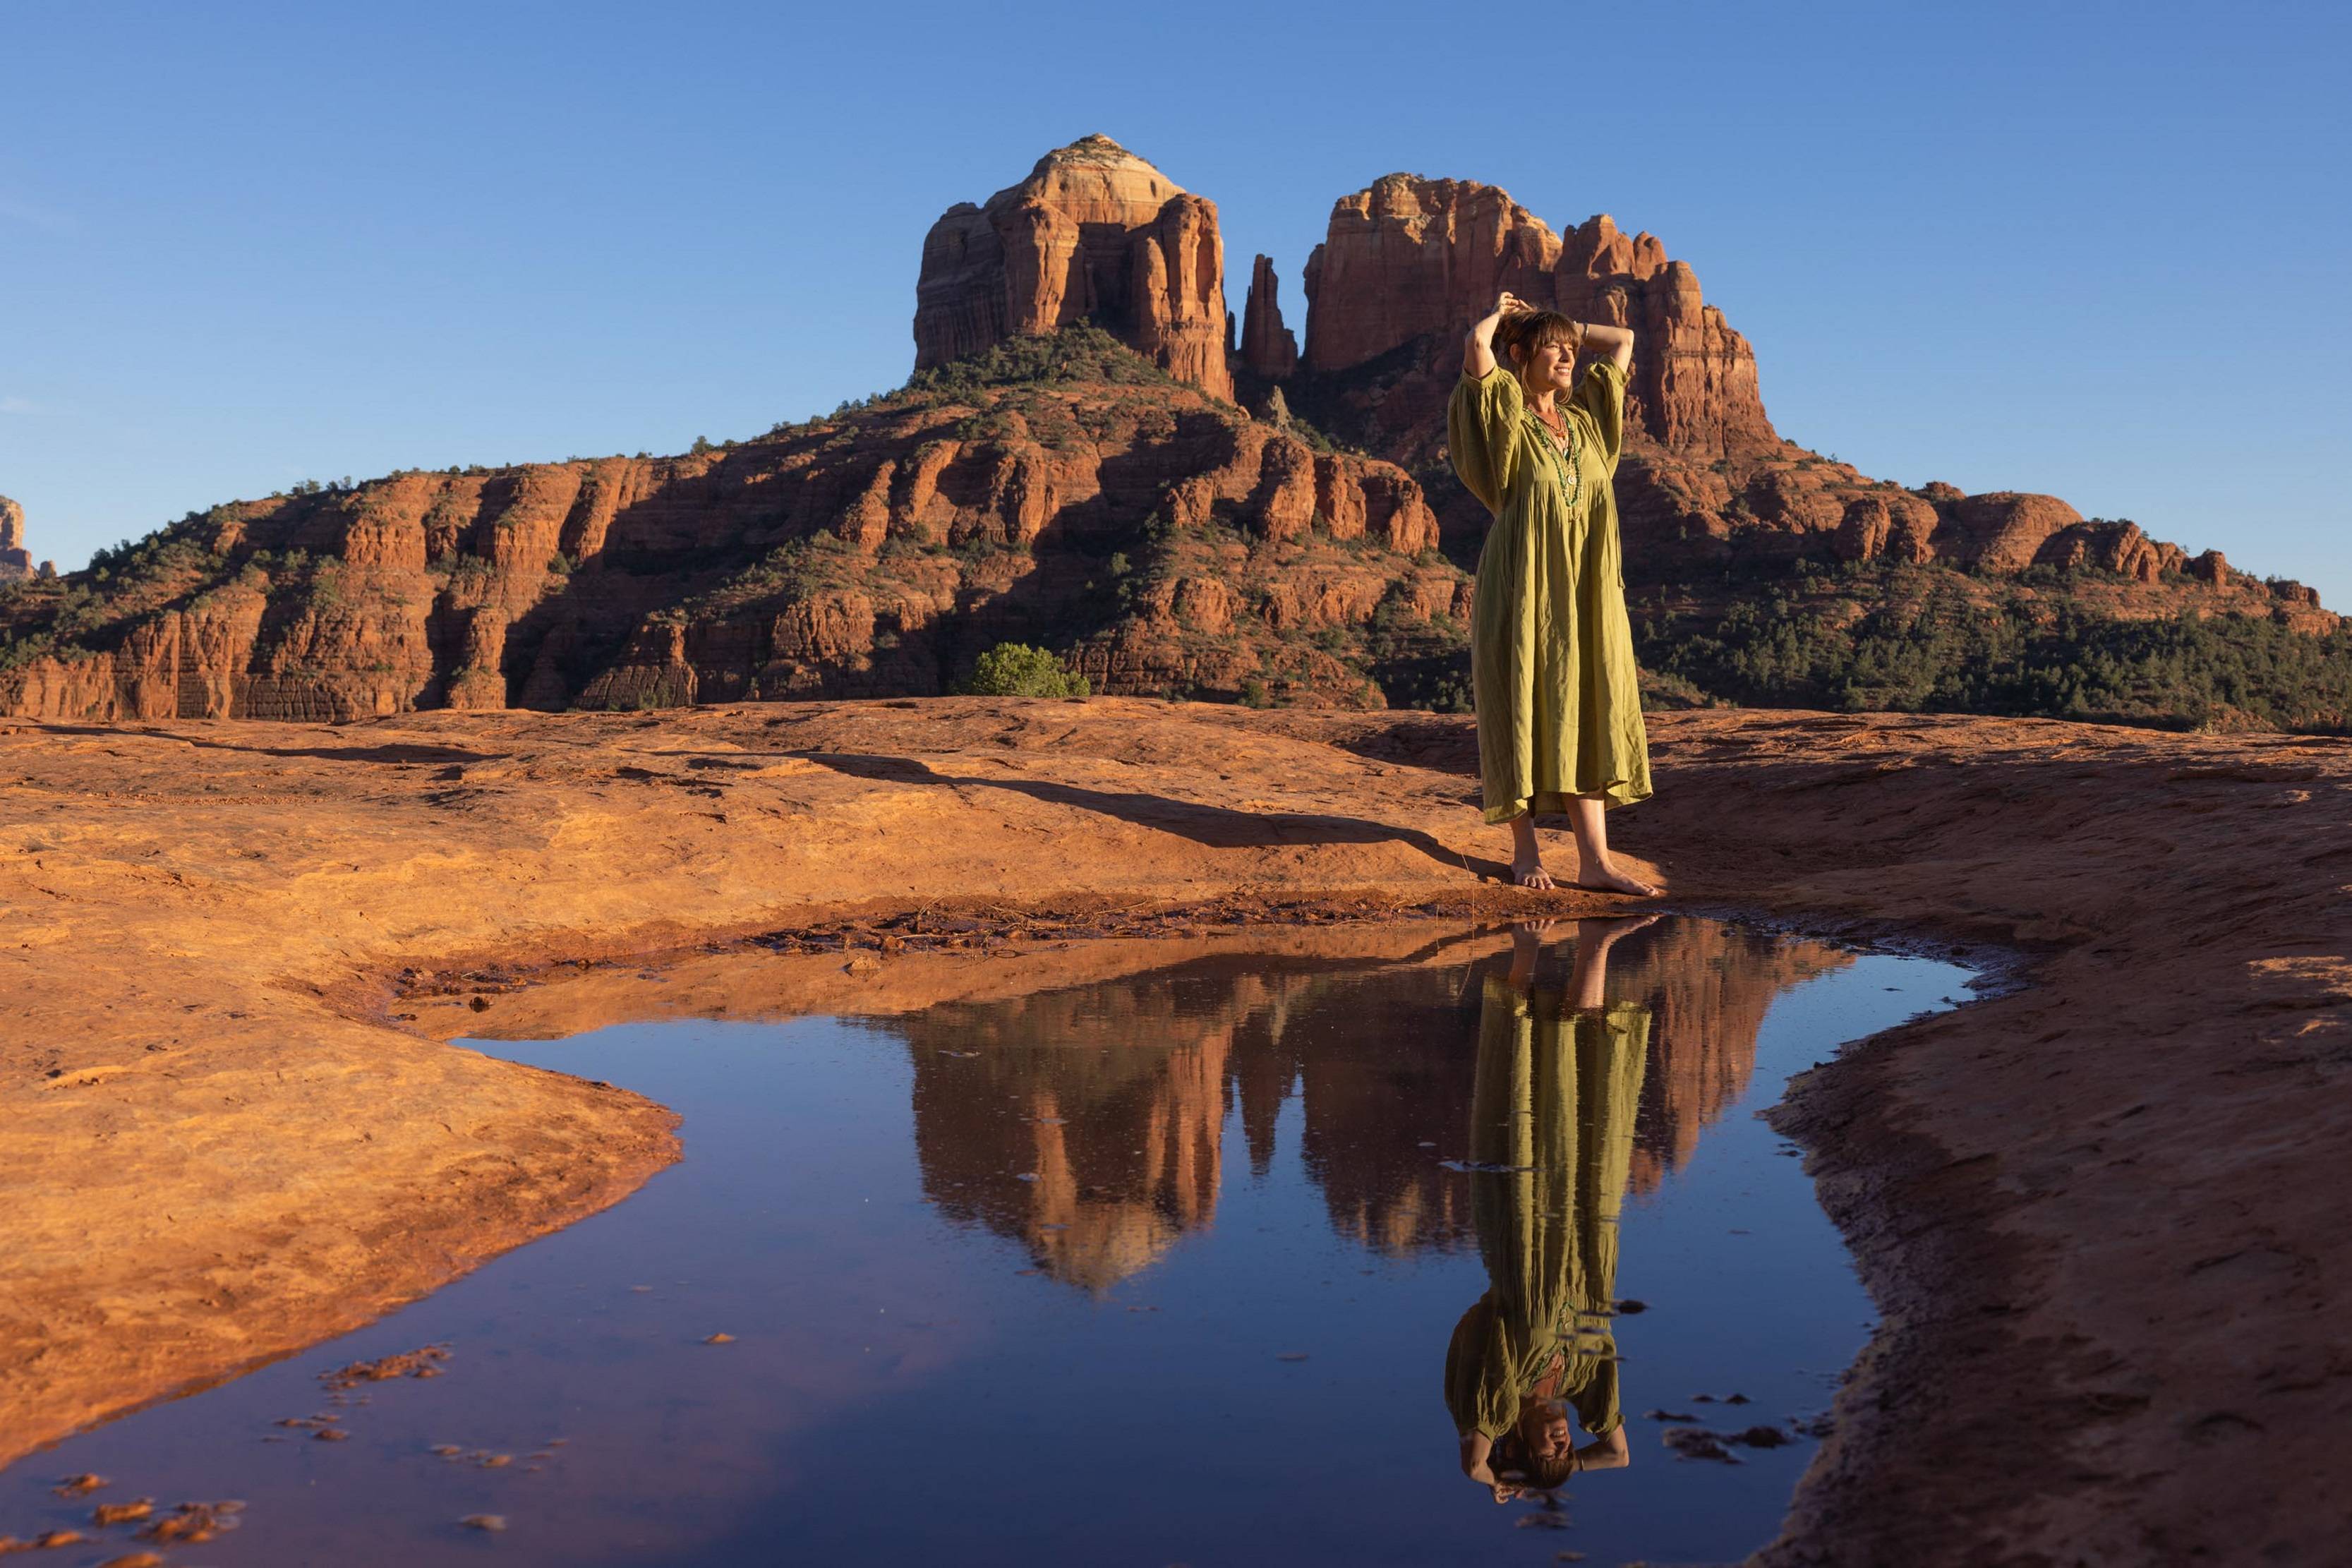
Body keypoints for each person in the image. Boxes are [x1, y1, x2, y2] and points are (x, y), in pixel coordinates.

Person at [1448, 293, 1657, 895]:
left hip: (1588, 591)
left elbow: (1621, 343)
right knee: (1521, 703)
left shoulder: (1588, 422)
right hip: (1524, 587)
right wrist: (1500, 314)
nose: (1567, 356)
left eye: (1569, 349)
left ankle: (1595, 864)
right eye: (1553, 349)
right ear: (1520, 355)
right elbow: (1476, 350)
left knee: (1587, 704)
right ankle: (1524, 854)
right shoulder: (1504, 419)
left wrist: (1559, 322)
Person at [1446, 918, 1653, 1501]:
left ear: (1515, 1446)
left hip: (1524, 1232)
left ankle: (1527, 950)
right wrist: (1560, 1479)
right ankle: (1597, 942)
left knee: (1522, 1106)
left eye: (1550, 1454)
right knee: (1594, 1088)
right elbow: (1617, 1456)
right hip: (1589, 1238)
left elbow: (1472, 1467)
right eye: (1566, 1453)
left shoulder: (1500, 1394)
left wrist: (1510, 1480)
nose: (1564, 1446)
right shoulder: (1587, 1377)